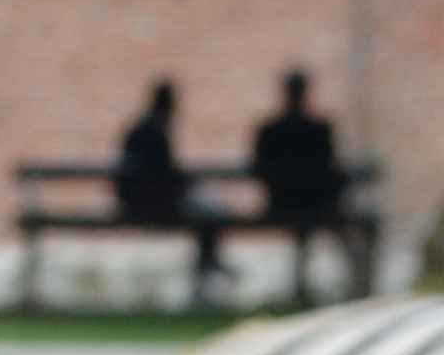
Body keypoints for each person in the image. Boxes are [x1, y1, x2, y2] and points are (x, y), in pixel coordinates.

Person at [116, 80, 228, 293]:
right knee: (209, 214)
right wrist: (188, 185)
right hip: (151, 203)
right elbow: (162, 175)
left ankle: (208, 266)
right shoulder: (156, 132)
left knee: (206, 211)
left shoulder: (141, 128)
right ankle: (207, 267)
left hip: (135, 200)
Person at [251, 68, 353, 300]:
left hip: (279, 203)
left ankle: (309, 288)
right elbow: (332, 169)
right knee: (350, 229)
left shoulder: (269, 130)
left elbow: (258, 169)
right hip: (315, 204)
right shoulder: (319, 129)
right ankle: (355, 290)